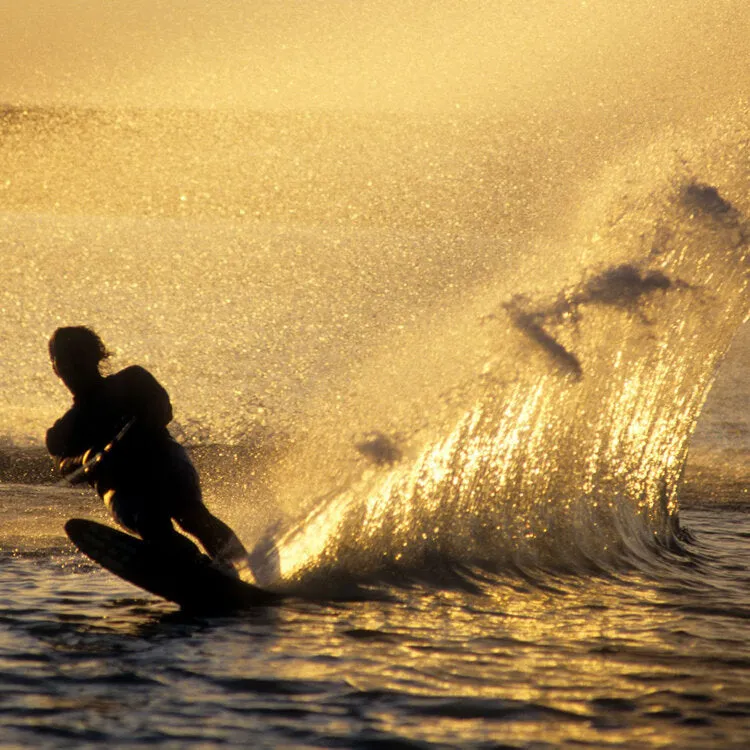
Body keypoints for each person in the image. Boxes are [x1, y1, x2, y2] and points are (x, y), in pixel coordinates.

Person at [46, 326, 248, 574]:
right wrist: (87, 459)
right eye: (64, 359)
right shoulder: (63, 430)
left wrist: (142, 422)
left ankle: (246, 569)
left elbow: (163, 408)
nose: (73, 366)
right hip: (122, 488)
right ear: (55, 367)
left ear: (96, 356)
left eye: (79, 355)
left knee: (190, 515)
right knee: (152, 524)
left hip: (163, 462)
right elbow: (63, 466)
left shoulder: (133, 380)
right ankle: (201, 572)